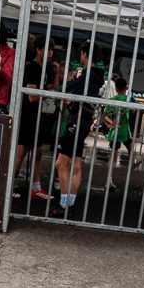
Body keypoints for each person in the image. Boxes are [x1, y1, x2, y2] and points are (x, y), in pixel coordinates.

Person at [51, 42, 113, 211]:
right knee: (76, 163)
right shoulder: (96, 76)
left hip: (77, 121)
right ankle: (69, 203)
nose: (80, 57)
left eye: (81, 54)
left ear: (85, 53)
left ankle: (64, 204)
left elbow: (72, 94)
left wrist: (74, 83)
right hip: (84, 122)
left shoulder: (87, 76)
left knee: (61, 163)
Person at [15, 40, 56, 197]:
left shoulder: (45, 69)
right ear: (38, 49)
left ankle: (35, 187)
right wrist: (46, 94)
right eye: (48, 49)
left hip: (37, 115)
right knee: (23, 151)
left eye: (52, 49)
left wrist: (55, 77)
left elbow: (51, 89)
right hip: (28, 115)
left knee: (36, 151)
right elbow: (32, 97)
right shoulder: (31, 68)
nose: (51, 53)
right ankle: (11, 184)